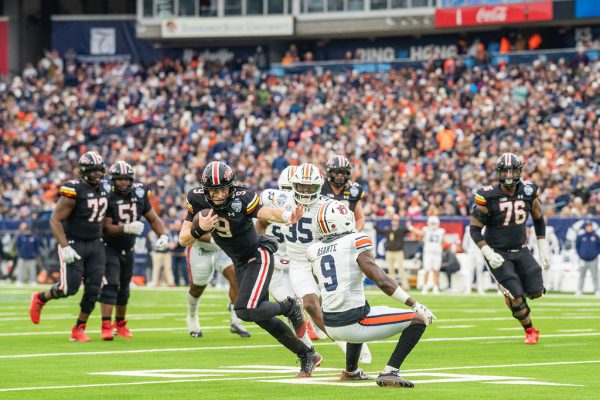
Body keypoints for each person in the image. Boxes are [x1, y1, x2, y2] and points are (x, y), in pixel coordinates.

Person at [179, 161, 322, 377]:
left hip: (257, 255)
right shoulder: (196, 198)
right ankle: (307, 355)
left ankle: (290, 306)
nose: (218, 195)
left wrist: (287, 216)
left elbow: (266, 213)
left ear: (231, 186)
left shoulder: (243, 197)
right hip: (240, 261)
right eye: (213, 190)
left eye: (223, 189)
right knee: (261, 317)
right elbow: (183, 239)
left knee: (244, 310)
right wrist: (200, 228)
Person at [307, 200, 435, 387]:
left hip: (330, 322)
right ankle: (390, 372)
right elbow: (381, 280)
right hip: (352, 321)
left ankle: (351, 371)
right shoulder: (355, 240)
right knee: (418, 320)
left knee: (363, 307)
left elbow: (321, 284)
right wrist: (413, 303)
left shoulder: (314, 250)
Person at [257, 163, 372, 363]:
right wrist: (260, 243)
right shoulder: (279, 199)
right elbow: (261, 222)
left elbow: (344, 230)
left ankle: (352, 340)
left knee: (337, 303)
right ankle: (329, 348)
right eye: (300, 186)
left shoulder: (328, 205)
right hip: (296, 262)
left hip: (319, 258)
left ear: (319, 187)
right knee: (307, 305)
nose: (304, 191)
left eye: (309, 187)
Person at [469, 153, 550, 345]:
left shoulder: (529, 191)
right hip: (497, 252)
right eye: (505, 170)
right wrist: (488, 252)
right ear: (498, 172)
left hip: (520, 249)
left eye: (512, 169)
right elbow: (474, 229)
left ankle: (512, 289)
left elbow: (538, 217)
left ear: (519, 171)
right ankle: (530, 329)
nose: (508, 174)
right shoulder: (488, 195)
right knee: (517, 296)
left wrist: (542, 246)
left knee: (537, 291)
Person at [29, 151, 109, 342]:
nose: (98, 174)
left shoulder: (105, 189)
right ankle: (41, 298)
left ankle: (79, 328)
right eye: (93, 170)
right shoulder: (74, 190)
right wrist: (65, 246)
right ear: (83, 171)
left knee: (94, 288)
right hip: (75, 244)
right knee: (69, 288)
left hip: (96, 244)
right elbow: (55, 219)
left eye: (99, 170)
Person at [99, 161, 169, 340]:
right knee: (111, 284)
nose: (123, 182)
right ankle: (106, 325)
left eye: (126, 179)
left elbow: (153, 219)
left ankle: (120, 324)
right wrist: (126, 228)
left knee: (124, 289)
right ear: (113, 180)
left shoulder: (139, 193)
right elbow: (105, 228)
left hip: (128, 248)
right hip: (109, 247)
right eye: (119, 179)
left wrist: (162, 235)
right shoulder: (106, 195)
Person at [258, 166, 312, 346]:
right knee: (290, 307)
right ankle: (308, 349)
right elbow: (258, 226)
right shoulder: (271, 204)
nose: (290, 195)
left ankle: (324, 333)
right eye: (287, 190)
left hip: (298, 261)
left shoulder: (311, 209)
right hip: (276, 261)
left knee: (314, 303)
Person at [185, 231, 251, 338]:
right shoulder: (199, 214)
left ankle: (236, 322)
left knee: (237, 278)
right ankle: (192, 315)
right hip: (201, 249)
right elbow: (191, 232)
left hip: (223, 249)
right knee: (197, 289)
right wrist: (215, 239)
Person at [321, 155, 366, 231]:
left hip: (345, 234)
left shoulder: (354, 189)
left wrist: (354, 233)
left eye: (343, 172)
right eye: (336, 172)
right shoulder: (320, 187)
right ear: (329, 172)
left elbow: (360, 218)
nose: (340, 176)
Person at [408, 216, 445, 295]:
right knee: (427, 270)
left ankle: (435, 287)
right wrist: (411, 228)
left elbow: (442, 242)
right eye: (432, 223)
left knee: (436, 271)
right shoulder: (426, 230)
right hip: (428, 253)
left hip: (437, 254)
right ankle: (425, 287)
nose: (433, 224)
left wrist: (440, 249)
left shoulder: (441, 231)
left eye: (434, 223)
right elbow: (420, 233)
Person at [375, 215, 410, 291]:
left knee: (401, 269)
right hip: (389, 252)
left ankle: (405, 286)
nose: (394, 222)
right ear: (392, 221)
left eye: (396, 220)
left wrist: (409, 222)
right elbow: (379, 230)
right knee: (390, 270)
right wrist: (375, 224)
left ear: (398, 222)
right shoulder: (388, 230)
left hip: (398, 252)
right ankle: (393, 286)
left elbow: (408, 229)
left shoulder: (401, 229)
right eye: (393, 220)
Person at [574, 220, 600, 295]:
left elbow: (599, 247)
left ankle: (597, 290)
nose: (589, 227)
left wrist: (595, 254)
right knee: (582, 276)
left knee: (595, 276)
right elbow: (577, 247)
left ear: (592, 227)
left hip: (593, 260)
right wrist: (580, 255)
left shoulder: (596, 236)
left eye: (590, 226)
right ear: (585, 227)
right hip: (583, 260)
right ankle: (579, 290)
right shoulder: (581, 236)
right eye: (587, 226)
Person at [462, 226, 486, 295]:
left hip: (480, 253)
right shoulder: (469, 229)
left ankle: (480, 289)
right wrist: (469, 251)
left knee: (479, 272)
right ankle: (468, 289)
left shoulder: (484, 230)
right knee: (470, 271)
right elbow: (465, 243)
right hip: (471, 253)